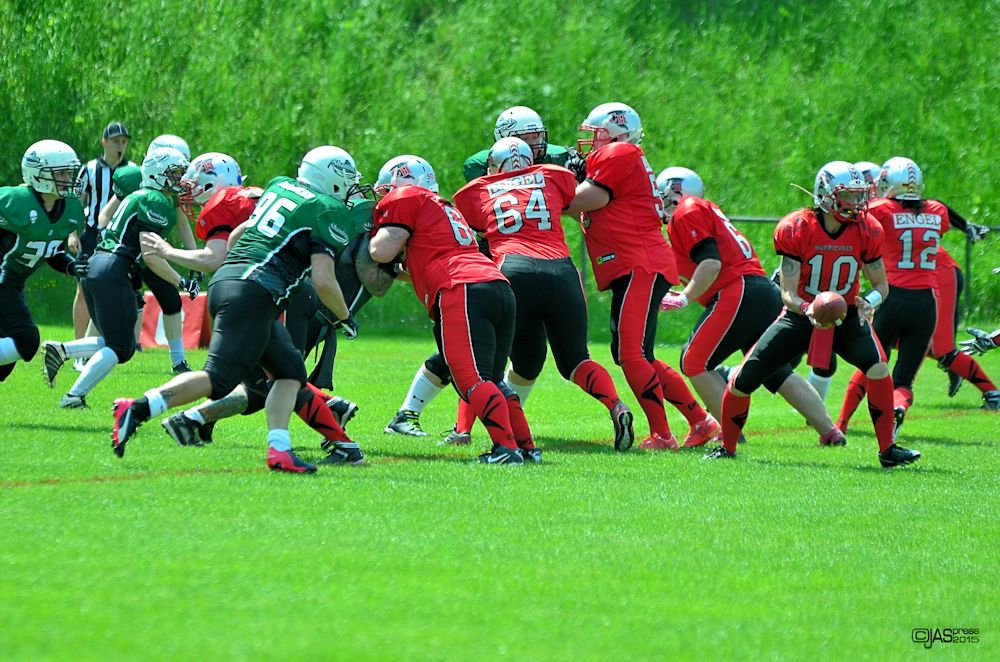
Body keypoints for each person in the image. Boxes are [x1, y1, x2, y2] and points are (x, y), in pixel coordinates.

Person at [108, 146, 363, 473]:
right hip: (254, 292)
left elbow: (241, 233)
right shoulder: (325, 209)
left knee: (290, 373)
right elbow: (324, 280)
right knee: (219, 377)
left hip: (234, 282)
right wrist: (345, 317)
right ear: (333, 180)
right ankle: (137, 408)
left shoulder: (281, 185)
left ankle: (280, 451)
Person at [385, 105, 586, 438]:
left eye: (537, 136)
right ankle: (421, 416)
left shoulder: (551, 164)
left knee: (528, 358)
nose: (534, 145)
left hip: (538, 266)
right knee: (472, 353)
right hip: (494, 263)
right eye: (525, 138)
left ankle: (503, 426)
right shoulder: (482, 167)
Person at [704, 161, 920, 468]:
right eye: (848, 195)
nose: (856, 203)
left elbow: (882, 285)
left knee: (878, 368)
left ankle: (888, 449)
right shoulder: (798, 227)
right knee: (742, 379)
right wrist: (808, 309)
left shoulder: (868, 228)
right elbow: (787, 291)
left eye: (859, 196)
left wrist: (868, 300)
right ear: (825, 194)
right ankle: (727, 447)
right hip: (801, 316)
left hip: (847, 315)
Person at [451, 137, 635, 450]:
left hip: (513, 269)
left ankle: (462, 430)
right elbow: (566, 197)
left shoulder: (475, 189)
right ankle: (617, 406)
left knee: (488, 360)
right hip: (562, 272)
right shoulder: (553, 175)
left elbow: (474, 224)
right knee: (577, 359)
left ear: (493, 166)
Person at [563, 102, 716, 450]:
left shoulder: (619, 152)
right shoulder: (622, 156)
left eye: (596, 132)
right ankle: (701, 421)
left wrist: (556, 192)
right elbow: (590, 211)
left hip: (639, 262)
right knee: (636, 355)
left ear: (616, 132)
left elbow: (589, 199)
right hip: (636, 262)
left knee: (632, 355)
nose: (590, 140)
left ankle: (662, 434)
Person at [657, 167, 844, 446]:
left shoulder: (687, 210)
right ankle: (830, 432)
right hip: (759, 291)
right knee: (777, 371)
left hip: (738, 291)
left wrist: (684, 297)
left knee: (693, 361)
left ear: (674, 191)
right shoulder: (700, 211)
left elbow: (711, 263)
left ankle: (730, 435)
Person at [369, 154, 533, 464]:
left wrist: (365, 245)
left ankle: (506, 450)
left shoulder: (408, 195)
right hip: (495, 285)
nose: (384, 197)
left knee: (473, 381)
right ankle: (527, 448)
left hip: (462, 288)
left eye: (386, 190)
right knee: (493, 380)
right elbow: (418, 265)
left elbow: (381, 251)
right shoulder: (442, 206)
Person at [41, 147, 192, 407]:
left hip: (99, 266)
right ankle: (73, 396)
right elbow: (150, 255)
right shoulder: (154, 201)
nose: (180, 179)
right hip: (113, 269)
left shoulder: (145, 196)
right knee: (121, 348)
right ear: (158, 174)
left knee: (115, 341)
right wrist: (181, 281)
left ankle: (64, 350)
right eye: (175, 173)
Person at [0, 140, 88, 381]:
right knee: (26, 340)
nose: (67, 178)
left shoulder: (68, 209)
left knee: (4, 365)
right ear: (37, 173)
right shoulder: (15, 200)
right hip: (3, 283)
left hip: (11, 284)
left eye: (69, 172)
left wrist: (71, 265)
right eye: (60, 172)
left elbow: (52, 250)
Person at [71, 122, 135, 353]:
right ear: (104, 142)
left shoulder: (133, 171)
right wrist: (72, 233)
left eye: (124, 142)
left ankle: (124, 341)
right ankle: (78, 346)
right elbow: (76, 203)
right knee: (83, 288)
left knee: (127, 288)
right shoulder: (89, 169)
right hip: (91, 235)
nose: (121, 146)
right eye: (116, 141)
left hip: (121, 238)